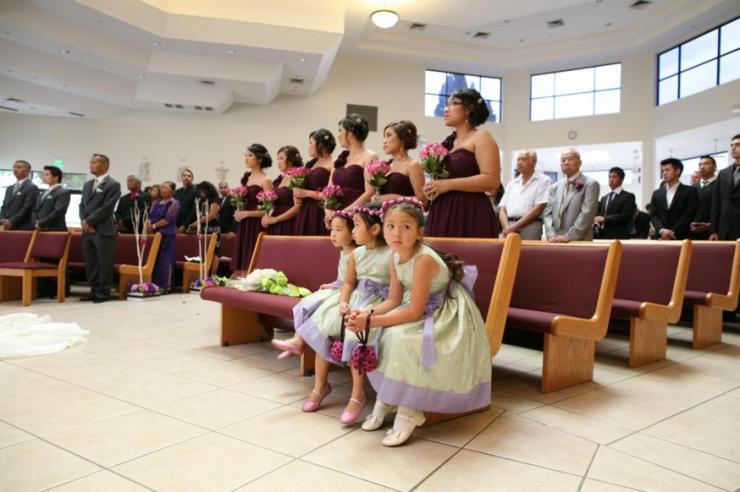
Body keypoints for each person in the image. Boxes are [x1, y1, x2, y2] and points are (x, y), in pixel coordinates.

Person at [347, 198, 491, 447]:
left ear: (419, 232)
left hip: (445, 312)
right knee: (383, 334)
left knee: (403, 338)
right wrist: (365, 314)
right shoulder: (395, 257)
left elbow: (414, 312)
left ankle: (410, 410)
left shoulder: (423, 260)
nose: (396, 233)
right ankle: (389, 397)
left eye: (405, 227)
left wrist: (373, 322)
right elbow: (393, 300)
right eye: (390, 226)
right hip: (417, 306)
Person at [289, 203, 391, 425]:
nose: (353, 231)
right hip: (355, 298)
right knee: (326, 328)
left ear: (375, 229)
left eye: (356, 225)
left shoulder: (391, 253)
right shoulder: (357, 254)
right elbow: (349, 282)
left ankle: (358, 395)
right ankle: (319, 386)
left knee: (356, 336)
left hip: (377, 303)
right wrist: (343, 301)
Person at [272, 210, 356, 357]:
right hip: (339, 288)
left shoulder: (355, 254)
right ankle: (296, 342)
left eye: (338, 230)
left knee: (317, 306)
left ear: (352, 233)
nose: (333, 235)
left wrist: (336, 286)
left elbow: (354, 281)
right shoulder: (344, 251)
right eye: (332, 230)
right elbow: (343, 278)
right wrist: (332, 284)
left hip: (348, 293)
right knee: (308, 303)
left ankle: (297, 343)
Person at [423, 88, 501, 237]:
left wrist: (448, 185)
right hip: (443, 210)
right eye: (447, 104)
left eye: (453, 104)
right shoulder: (448, 143)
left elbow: (492, 180)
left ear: (468, 109)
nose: (446, 109)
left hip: (469, 210)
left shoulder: (482, 137)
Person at [79, 154, 121, 303]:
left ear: (105, 166)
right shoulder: (88, 184)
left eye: (94, 162)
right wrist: (84, 222)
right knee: (91, 262)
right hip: (87, 230)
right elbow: (82, 205)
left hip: (103, 230)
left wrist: (90, 221)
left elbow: (107, 207)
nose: (91, 165)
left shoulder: (113, 184)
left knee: (104, 263)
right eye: (90, 162)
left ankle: (103, 292)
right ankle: (94, 289)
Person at [543, 149, 600, 242]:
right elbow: (547, 213)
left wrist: (570, 236)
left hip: (579, 240)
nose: (566, 162)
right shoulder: (555, 187)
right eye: (563, 160)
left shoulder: (590, 184)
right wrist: (551, 235)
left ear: (579, 163)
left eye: (570, 159)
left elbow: (587, 213)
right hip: (555, 240)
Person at [232, 144, 273, 273]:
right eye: (245, 156)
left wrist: (247, 213)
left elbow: (269, 209)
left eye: (250, 155)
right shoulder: (247, 178)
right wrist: (239, 212)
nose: (246, 158)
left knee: (252, 258)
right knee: (241, 261)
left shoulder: (266, 180)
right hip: (244, 223)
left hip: (256, 224)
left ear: (259, 159)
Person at [329, 114, 378, 214]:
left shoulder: (370, 157)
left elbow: (370, 192)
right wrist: (328, 212)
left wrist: (344, 212)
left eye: (340, 131)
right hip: (335, 213)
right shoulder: (340, 159)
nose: (338, 135)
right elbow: (329, 189)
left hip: (356, 212)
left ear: (350, 134)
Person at [372, 121, 427, 207]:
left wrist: (394, 198)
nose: (384, 141)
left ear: (402, 140)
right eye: (384, 137)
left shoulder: (413, 165)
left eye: (388, 135)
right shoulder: (386, 166)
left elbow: (423, 200)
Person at [498, 150, 550, 240]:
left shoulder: (543, 180)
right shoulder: (512, 184)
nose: (519, 162)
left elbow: (538, 209)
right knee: (502, 249)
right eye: (518, 160)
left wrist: (514, 227)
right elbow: (502, 209)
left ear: (533, 162)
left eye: (523, 159)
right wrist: (507, 227)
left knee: (527, 249)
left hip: (530, 225)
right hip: (508, 225)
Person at [293, 129, 335, 235]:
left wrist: (306, 193)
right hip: (304, 210)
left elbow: (331, 195)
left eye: (311, 143)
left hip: (319, 210)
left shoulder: (333, 164)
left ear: (320, 145)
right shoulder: (311, 164)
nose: (308, 146)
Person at [649, 158, 698, 240]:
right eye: (663, 171)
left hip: (681, 236)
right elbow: (653, 215)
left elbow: (689, 214)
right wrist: (661, 230)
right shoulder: (657, 193)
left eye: (667, 170)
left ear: (677, 171)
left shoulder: (690, 191)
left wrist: (672, 232)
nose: (664, 173)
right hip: (660, 237)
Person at [261, 146, 303, 235]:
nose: (278, 162)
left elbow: (298, 207)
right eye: (277, 159)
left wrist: (276, 219)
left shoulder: (297, 177)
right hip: (275, 223)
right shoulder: (279, 180)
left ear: (291, 160)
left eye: (281, 158)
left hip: (289, 223)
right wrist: (266, 217)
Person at [148, 181, 179, 291]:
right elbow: (150, 215)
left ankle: (166, 285)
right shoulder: (156, 202)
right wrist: (148, 225)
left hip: (167, 234)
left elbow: (168, 219)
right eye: (162, 187)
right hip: (154, 234)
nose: (162, 189)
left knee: (165, 260)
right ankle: (154, 284)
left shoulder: (174, 203)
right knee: (154, 259)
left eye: (166, 187)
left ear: (172, 191)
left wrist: (154, 226)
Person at [710, 134, 740, 241]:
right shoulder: (723, 173)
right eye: (731, 145)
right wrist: (713, 230)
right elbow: (716, 203)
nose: (733, 148)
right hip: (725, 229)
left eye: (738, 145)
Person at [594, 167, 636, 240]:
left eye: (614, 177)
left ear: (621, 179)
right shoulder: (604, 198)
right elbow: (600, 215)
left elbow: (626, 215)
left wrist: (604, 219)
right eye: (609, 177)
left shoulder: (628, 196)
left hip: (619, 235)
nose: (611, 179)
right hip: (602, 235)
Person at [1, 160, 38, 230]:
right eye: (14, 167)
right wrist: (2, 219)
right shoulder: (9, 188)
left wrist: (11, 221)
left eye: (19, 167)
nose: (15, 169)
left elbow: (27, 208)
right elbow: (4, 206)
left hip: (22, 226)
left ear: (27, 171)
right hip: (6, 225)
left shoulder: (32, 187)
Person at [33, 165, 70, 231]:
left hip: (54, 229)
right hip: (39, 228)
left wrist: (41, 223)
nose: (43, 177)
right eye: (43, 175)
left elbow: (58, 212)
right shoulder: (43, 193)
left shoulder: (63, 192)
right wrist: (35, 222)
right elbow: (35, 209)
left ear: (56, 177)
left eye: (46, 175)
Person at [690, 155, 717, 240]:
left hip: (714, 232)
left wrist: (711, 225)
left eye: (706, 164)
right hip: (692, 231)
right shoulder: (693, 188)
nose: (702, 167)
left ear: (714, 167)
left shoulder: (720, 184)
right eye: (700, 164)